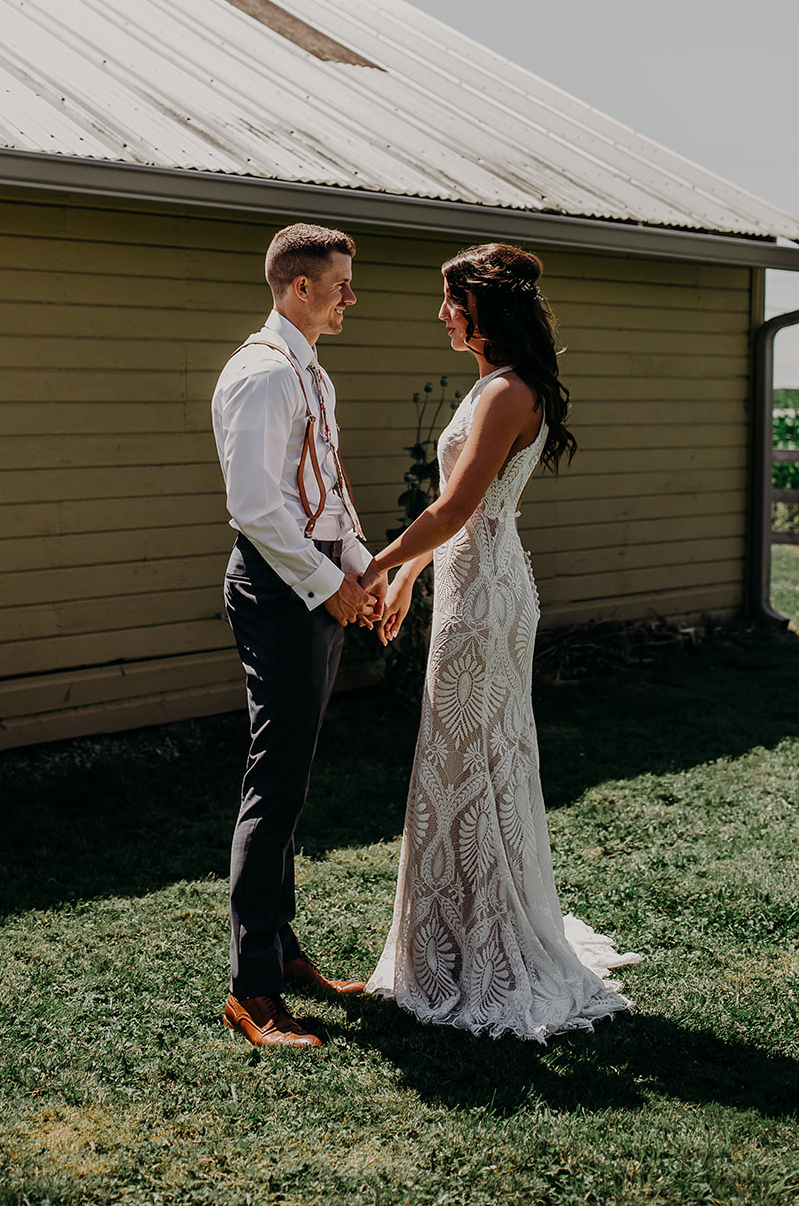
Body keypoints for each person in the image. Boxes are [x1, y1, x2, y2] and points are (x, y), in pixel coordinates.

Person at [361, 242, 641, 1041]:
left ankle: (477, 955)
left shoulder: (504, 393)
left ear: (481, 308)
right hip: (477, 580)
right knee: (468, 755)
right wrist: (413, 577)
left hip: (482, 595)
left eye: (449, 301)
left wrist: (378, 566)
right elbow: (461, 514)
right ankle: (456, 937)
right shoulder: (501, 386)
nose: (440, 314)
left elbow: (453, 508)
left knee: (471, 757)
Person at [211, 222, 383, 1048]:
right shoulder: (260, 376)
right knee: (273, 784)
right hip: (280, 588)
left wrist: (362, 568)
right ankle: (251, 990)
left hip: (316, 575)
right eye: (340, 283)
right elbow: (255, 507)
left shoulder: (312, 373)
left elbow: (325, 490)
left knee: (292, 778)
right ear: (297, 286)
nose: (351, 296)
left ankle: (280, 953)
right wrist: (326, 589)